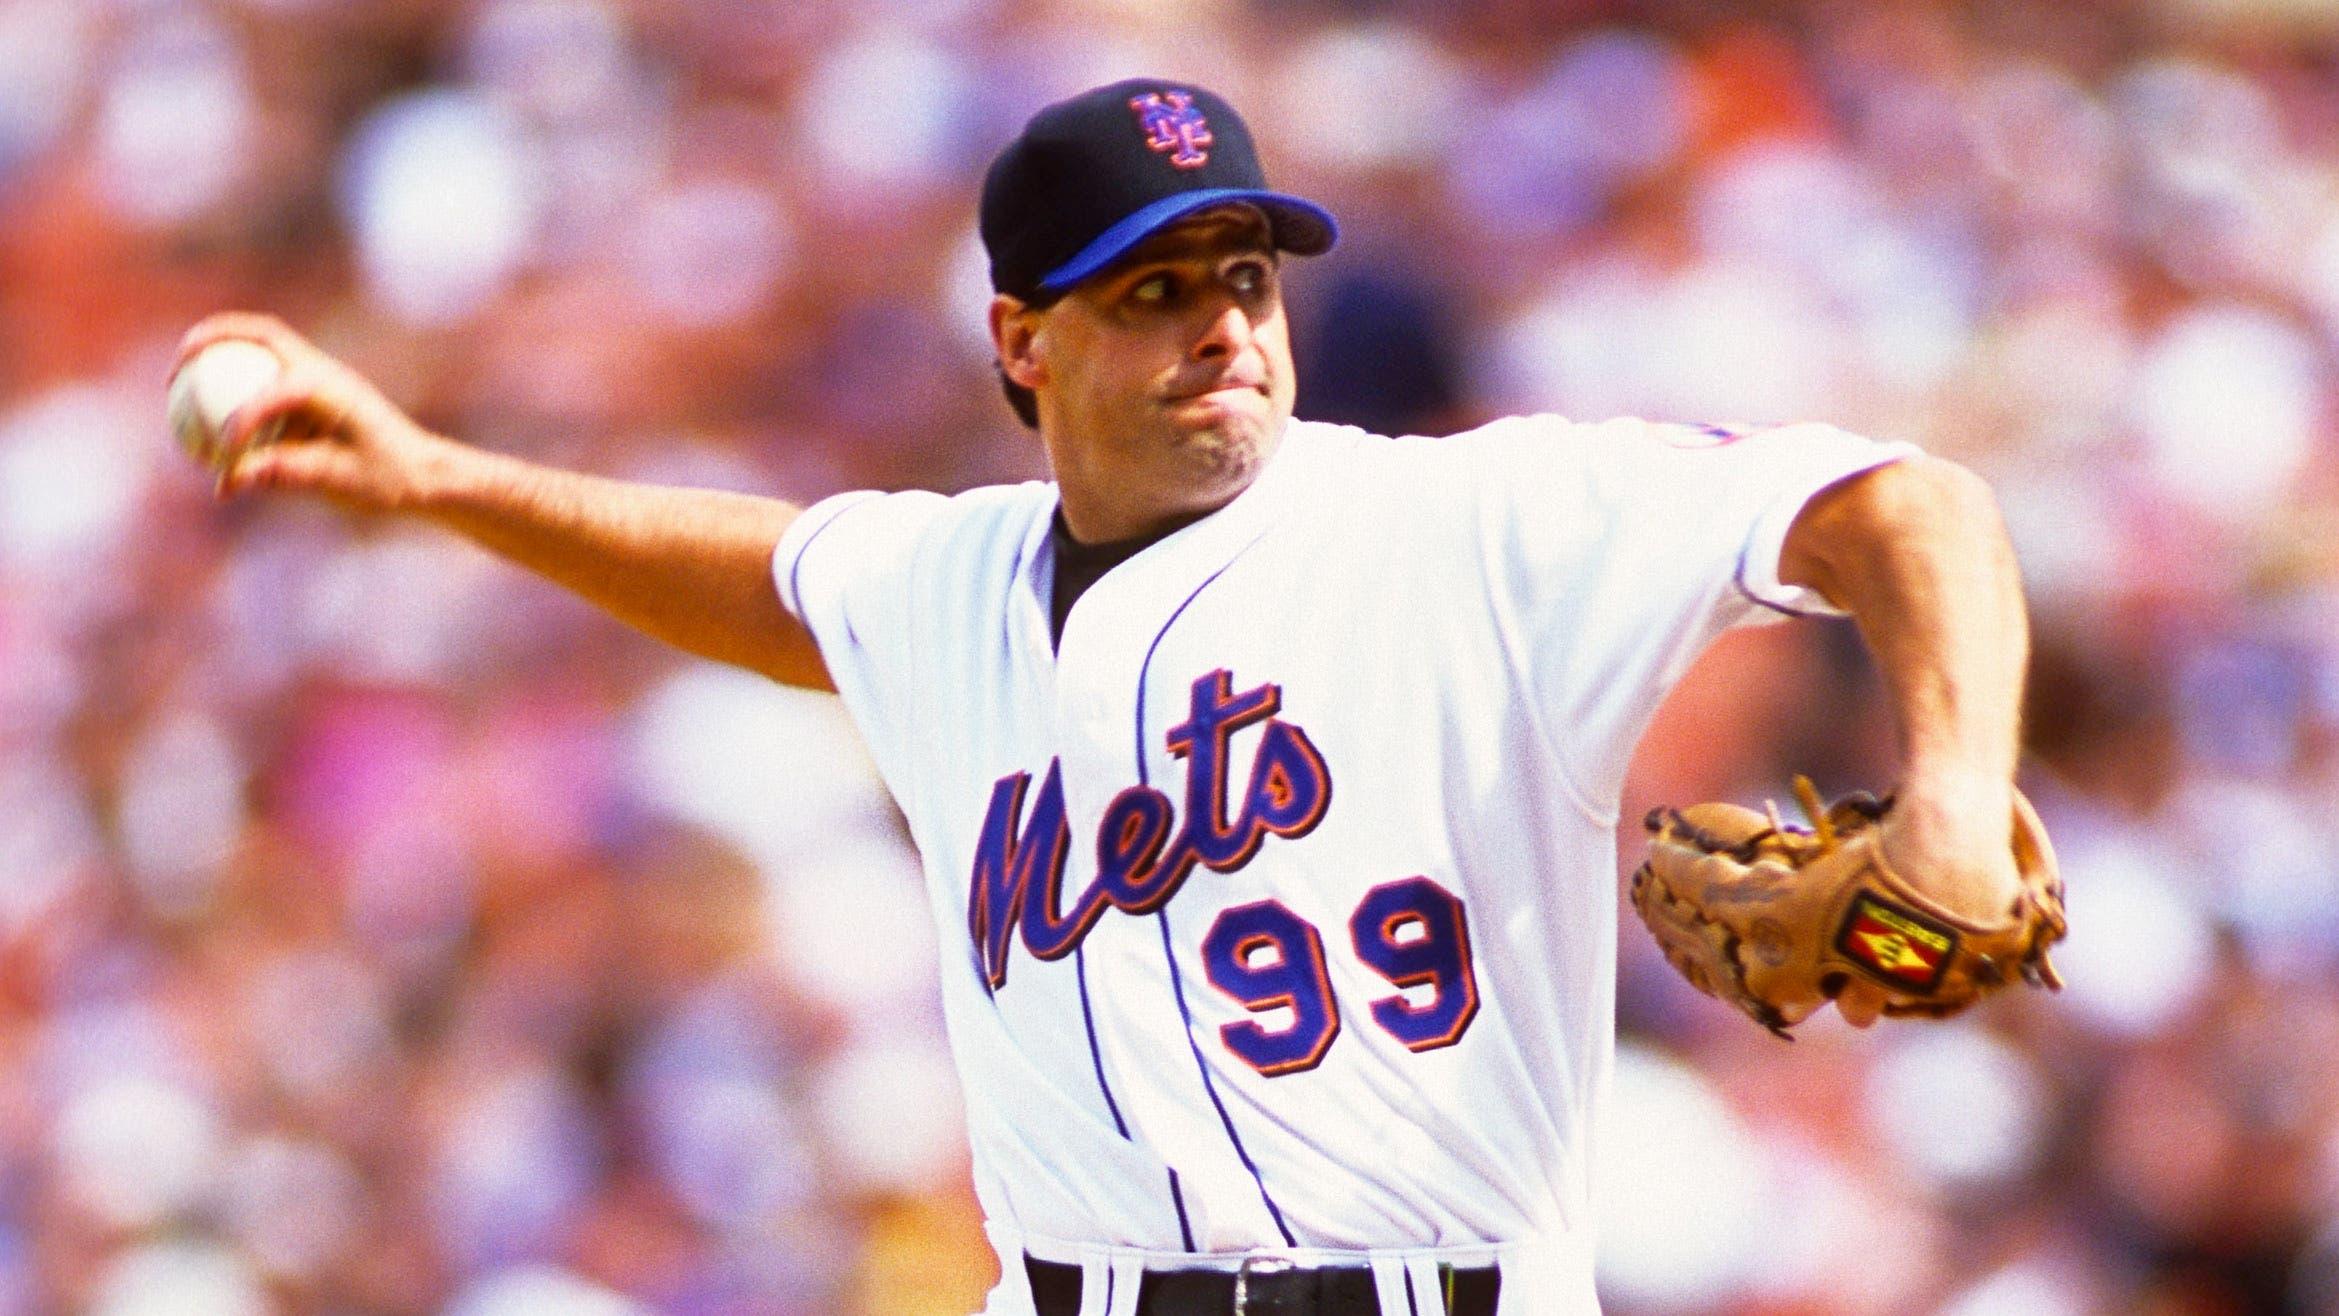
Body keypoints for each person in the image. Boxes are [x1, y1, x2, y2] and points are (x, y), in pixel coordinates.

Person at [181, 79, 2031, 1316]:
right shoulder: (944, 587)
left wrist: (1950, 788)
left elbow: (1901, 506)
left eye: (1246, 278)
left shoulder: (1471, 523)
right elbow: (762, 576)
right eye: (1156, 290)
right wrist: (432, 476)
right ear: (1022, 342)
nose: (1226, 323)